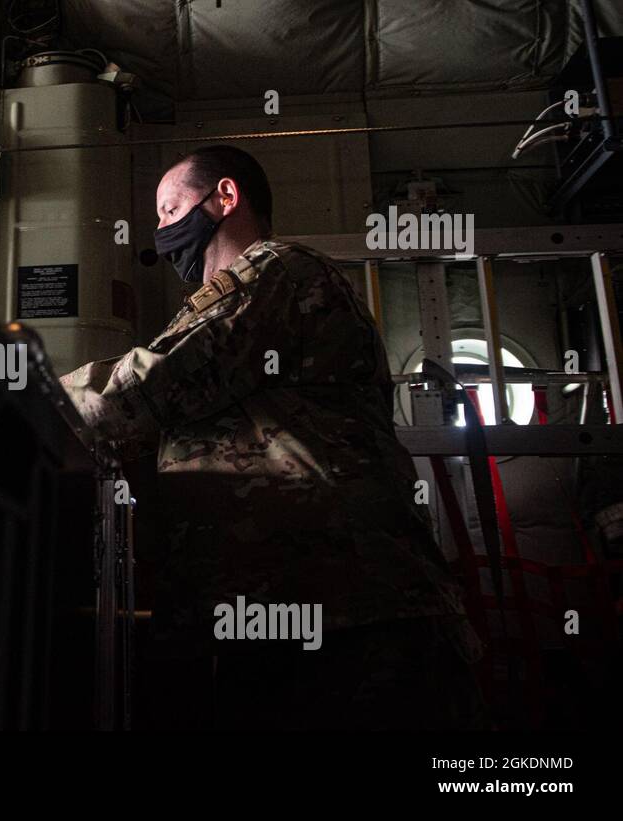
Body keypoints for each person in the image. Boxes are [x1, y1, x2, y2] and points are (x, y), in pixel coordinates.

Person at [61, 144, 488, 730]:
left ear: (225, 197)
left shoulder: (277, 272)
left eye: (169, 208)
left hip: (346, 607)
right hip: (279, 609)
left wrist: (23, 402)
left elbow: (146, 388)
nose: (160, 230)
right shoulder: (227, 302)